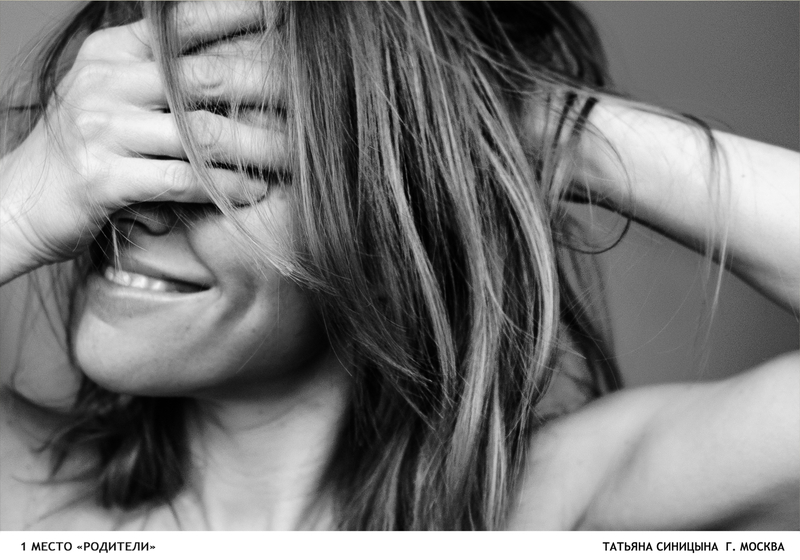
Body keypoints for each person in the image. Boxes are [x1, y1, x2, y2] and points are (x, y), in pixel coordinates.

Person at [0, 1, 797, 531]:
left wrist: (506, 123)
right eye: (119, 141)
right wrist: (20, 207)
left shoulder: (562, 511)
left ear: (400, 218)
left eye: (225, 151)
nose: (123, 205)